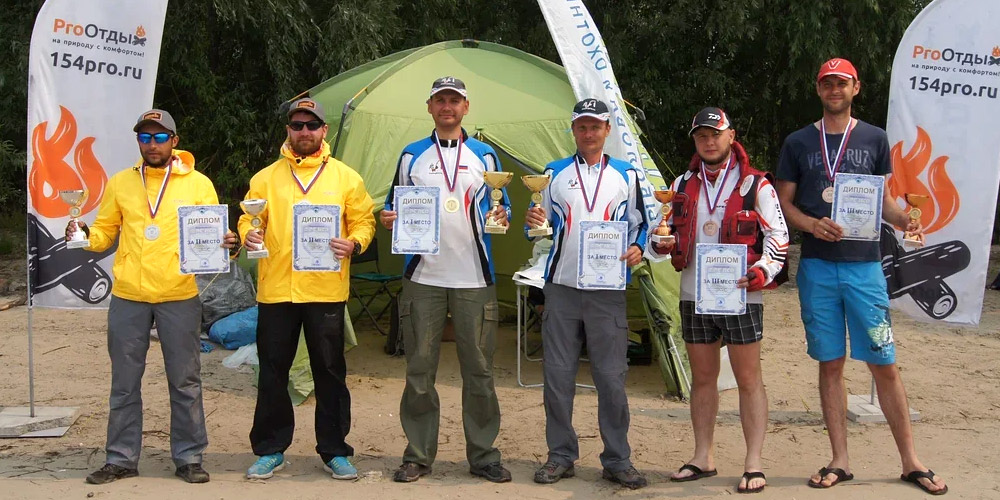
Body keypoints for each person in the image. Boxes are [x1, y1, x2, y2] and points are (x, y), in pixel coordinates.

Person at [775, 58, 947, 495]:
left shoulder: (874, 138)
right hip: (817, 267)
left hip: (865, 268)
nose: (834, 90)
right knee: (830, 364)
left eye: (842, 83)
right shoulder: (798, 142)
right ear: (818, 89)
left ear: (856, 88)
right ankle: (840, 460)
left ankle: (910, 461)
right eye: (827, 83)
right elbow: (783, 203)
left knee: (883, 362)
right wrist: (811, 224)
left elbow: (883, 200)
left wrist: (906, 219)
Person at [68, 109, 238, 485]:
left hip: (179, 294)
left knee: (185, 380)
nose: (152, 144)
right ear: (139, 142)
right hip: (129, 295)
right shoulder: (120, 183)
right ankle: (121, 458)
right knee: (124, 381)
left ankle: (189, 457)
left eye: (160, 137)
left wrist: (227, 241)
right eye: (145, 137)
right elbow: (104, 232)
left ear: (174, 141)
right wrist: (83, 235)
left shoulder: (199, 183)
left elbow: (211, 235)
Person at [648, 107, 788, 494]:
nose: (709, 142)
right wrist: (660, 244)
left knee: (748, 379)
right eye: (701, 136)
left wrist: (763, 271)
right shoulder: (680, 183)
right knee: (703, 378)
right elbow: (660, 238)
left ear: (731, 136)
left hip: (742, 293)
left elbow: (779, 236)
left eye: (715, 134)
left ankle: (753, 462)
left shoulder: (756, 184)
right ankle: (702, 457)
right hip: (694, 293)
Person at [380, 76, 512, 484]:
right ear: (430, 106)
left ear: (466, 107)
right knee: (419, 370)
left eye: (455, 100)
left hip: (475, 276)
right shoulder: (412, 155)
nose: (447, 107)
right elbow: (393, 204)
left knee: (480, 370)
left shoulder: (485, 155)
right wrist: (390, 217)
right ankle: (418, 455)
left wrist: (502, 215)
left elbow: (502, 207)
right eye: (440, 100)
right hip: (424, 276)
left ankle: (484, 455)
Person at [240, 98, 376, 480]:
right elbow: (248, 219)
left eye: (311, 125)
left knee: (329, 372)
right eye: (297, 125)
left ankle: (335, 450)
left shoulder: (346, 177)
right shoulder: (266, 178)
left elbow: (364, 221)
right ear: (288, 129)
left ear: (324, 130)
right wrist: (247, 234)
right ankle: (270, 449)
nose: (304, 131)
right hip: (277, 291)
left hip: (325, 290)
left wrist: (355, 243)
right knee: (272, 372)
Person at [524, 98, 652, 490]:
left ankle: (617, 459)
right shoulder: (553, 173)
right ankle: (560, 456)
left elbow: (642, 224)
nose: (589, 132)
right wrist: (534, 220)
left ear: (607, 130)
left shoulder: (626, 174)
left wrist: (639, 247)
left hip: (607, 289)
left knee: (611, 377)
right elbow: (537, 228)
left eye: (596, 126)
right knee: (557, 375)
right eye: (582, 126)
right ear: (574, 129)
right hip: (562, 287)